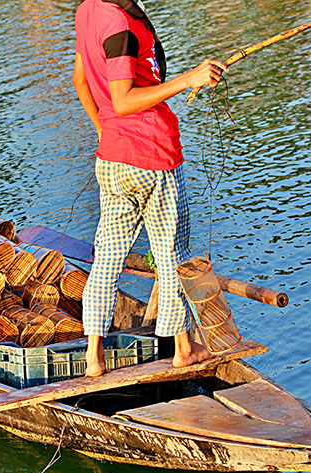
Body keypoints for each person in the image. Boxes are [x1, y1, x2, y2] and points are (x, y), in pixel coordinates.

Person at [73, 0, 228, 376]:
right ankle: (183, 350)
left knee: (107, 258)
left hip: (112, 159)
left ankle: (93, 357)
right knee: (172, 256)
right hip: (152, 157)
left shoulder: (88, 9)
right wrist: (188, 79)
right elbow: (124, 100)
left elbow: (80, 79)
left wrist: (102, 130)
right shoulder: (121, 24)